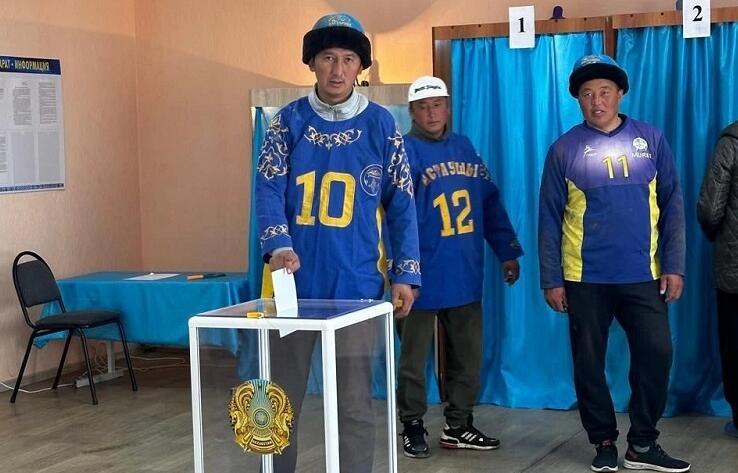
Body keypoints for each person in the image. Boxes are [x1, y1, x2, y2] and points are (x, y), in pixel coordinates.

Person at [254, 12, 421, 473]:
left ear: (360, 67)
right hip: (291, 284)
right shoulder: (286, 122)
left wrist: (405, 274)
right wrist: (279, 245)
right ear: (311, 63)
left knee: (354, 402)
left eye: (348, 59)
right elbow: (267, 189)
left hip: (357, 286)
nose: (337, 69)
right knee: (278, 398)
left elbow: (402, 204)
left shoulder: (382, 126)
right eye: (327, 58)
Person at [538, 54, 690, 473]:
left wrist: (674, 265)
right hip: (584, 277)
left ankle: (642, 443)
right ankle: (603, 439)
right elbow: (548, 218)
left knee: (657, 352)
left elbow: (673, 204)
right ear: (578, 100)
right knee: (589, 363)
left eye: (604, 91)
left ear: (620, 93)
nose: (597, 101)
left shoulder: (650, 139)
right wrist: (551, 278)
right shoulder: (564, 149)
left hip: (644, 274)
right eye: (587, 94)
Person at [396, 75, 523, 459]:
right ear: (412, 112)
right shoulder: (402, 151)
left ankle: (458, 424)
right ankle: (412, 424)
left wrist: (506, 250)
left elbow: (489, 202)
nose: (431, 113)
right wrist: (399, 271)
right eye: (423, 107)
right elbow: (393, 215)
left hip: (464, 269)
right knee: (413, 359)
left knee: (467, 355)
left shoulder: (465, 147)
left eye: (437, 104)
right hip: (418, 275)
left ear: (448, 107)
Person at [697, 120, 738, 439]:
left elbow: (710, 209)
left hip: (734, 267)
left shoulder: (731, 141)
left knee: (734, 343)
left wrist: (720, 238)